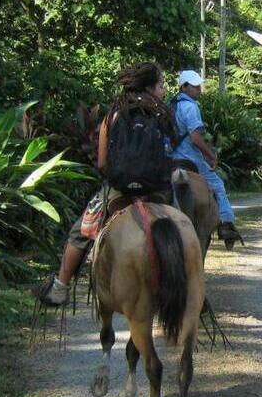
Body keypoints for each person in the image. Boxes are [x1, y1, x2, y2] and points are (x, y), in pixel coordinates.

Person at [38, 62, 177, 306]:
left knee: (80, 233)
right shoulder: (162, 114)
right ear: (150, 87)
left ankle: (60, 286)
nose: (163, 91)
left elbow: (102, 162)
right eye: (161, 86)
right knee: (183, 226)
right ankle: (191, 286)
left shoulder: (113, 114)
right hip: (157, 191)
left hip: (119, 190)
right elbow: (168, 156)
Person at [170, 70, 242, 248]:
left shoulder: (171, 105)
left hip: (170, 158)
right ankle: (226, 224)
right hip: (189, 158)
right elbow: (195, 138)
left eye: (198, 86)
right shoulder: (191, 107)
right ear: (184, 87)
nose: (198, 90)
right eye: (194, 86)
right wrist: (211, 156)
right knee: (218, 185)